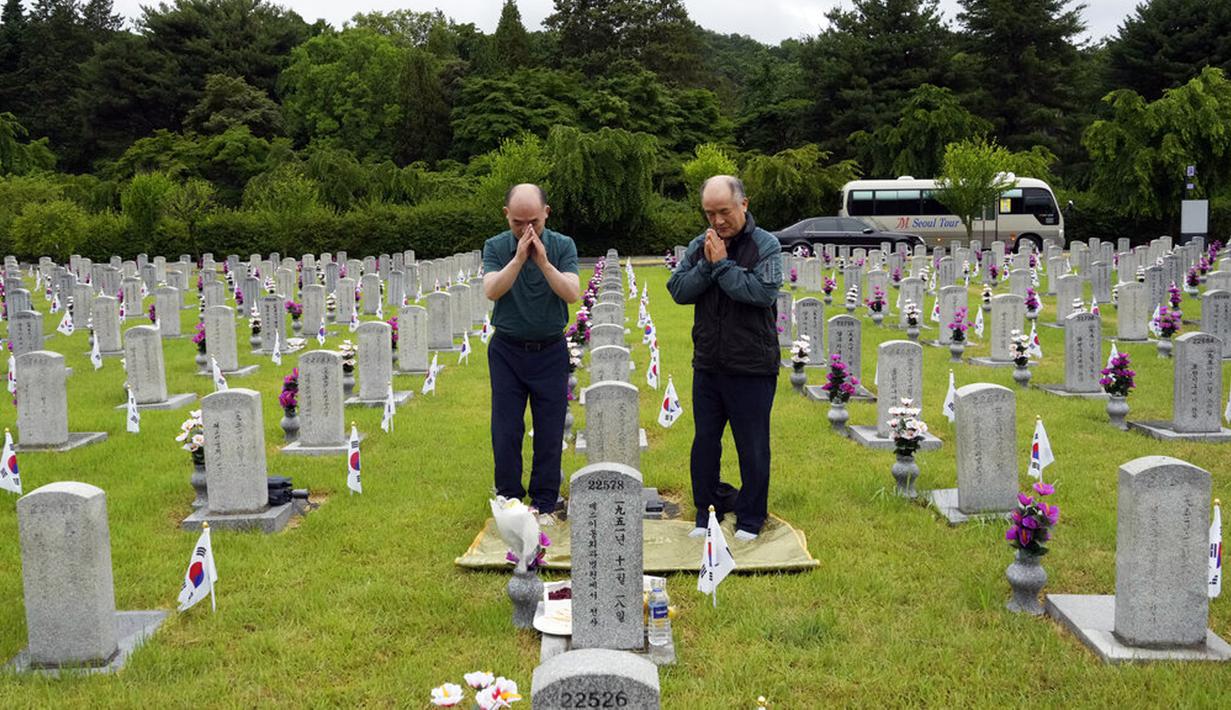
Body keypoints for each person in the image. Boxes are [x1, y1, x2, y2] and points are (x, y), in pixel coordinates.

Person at [666, 175, 782, 541]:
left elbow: (761, 292)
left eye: (724, 212)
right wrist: (707, 263)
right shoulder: (701, 245)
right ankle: (707, 511)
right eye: (709, 213)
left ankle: (751, 517)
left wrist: (722, 267)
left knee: (753, 445)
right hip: (708, 363)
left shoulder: (767, 245)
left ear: (743, 205)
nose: (717, 221)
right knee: (705, 443)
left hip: (752, 364)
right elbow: (678, 290)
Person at [482, 184, 580, 526]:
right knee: (506, 428)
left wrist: (543, 261)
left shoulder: (562, 245)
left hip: (550, 349)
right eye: (518, 222)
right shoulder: (496, 246)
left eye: (534, 223)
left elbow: (572, 293)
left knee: (550, 428)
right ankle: (509, 499)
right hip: (508, 349)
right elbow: (492, 289)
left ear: (547, 214)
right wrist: (519, 257)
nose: (526, 231)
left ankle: (544, 500)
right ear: (506, 215)